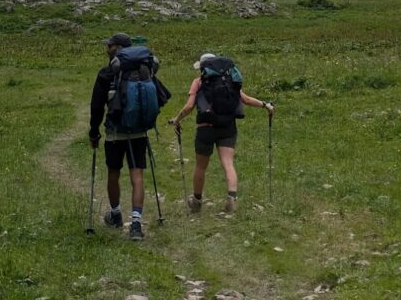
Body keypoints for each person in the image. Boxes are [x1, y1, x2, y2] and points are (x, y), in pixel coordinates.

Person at [169, 51, 274, 214]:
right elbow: (245, 99)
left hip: (206, 128)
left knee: (201, 167)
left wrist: (177, 119)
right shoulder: (229, 82)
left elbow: (190, 106)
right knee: (228, 164)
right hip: (228, 126)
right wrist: (265, 105)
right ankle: (232, 199)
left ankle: (196, 201)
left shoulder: (198, 82)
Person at [89, 32, 160, 241]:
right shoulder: (144, 69)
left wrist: (94, 132)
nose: (106, 48)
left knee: (114, 172)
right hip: (139, 130)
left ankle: (117, 214)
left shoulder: (106, 73)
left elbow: (96, 106)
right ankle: (136, 223)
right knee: (137, 175)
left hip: (114, 132)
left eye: (109, 45)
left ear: (117, 47)